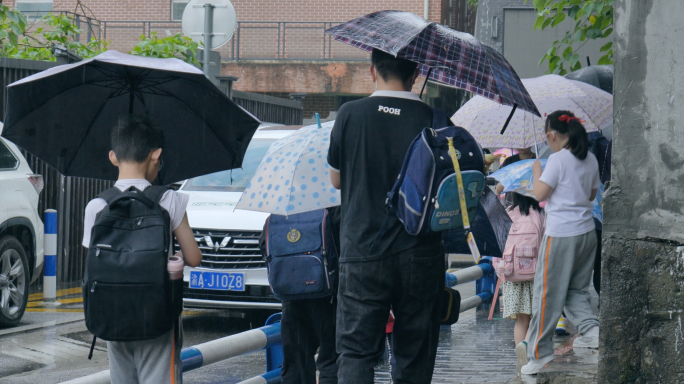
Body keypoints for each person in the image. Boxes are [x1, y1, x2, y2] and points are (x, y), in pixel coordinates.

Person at [328, 49, 446, 384]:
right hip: (420, 253)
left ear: (372, 72)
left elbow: (336, 179)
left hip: (363, 247)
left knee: (355, 351)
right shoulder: (435, 119)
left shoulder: (350, 114)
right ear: (415, 74)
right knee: (414, 352)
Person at [82, 115, 202, 384]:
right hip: (158, 316)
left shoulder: (97, 206)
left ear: (113, 156)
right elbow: (194, 258)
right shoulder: (169, 200)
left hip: (112, 316)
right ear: (156, 155)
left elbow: (92, 265)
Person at [521, 111, 600, 375]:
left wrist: (537, 172)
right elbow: (590, 195)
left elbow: (540, 194)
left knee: (547, 296)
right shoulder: (590, 158)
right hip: (587, 234)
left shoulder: (557, 159)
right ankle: (592, 330)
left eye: (547, 137)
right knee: (576, 291)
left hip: (561, 235)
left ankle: (538, 355)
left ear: (552, 134)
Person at [258, 207, 341, 384]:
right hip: (328, 297)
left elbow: (264, 246)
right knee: (331, 361)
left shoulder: (283, 210)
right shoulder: (332, 204)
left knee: (296, 364)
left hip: (292, 297)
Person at [496, 192, 545, 373]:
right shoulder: (540, 215)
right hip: (535, 275)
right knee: (534, 318)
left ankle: (520, 357)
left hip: (512, 276)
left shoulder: (507, 214)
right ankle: (528, 351)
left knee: (520, 320)